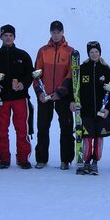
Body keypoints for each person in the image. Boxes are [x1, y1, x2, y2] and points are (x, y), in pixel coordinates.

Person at [0, 24, 34, 169]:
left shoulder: (23, 55)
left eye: (10, 35)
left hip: (20, 98)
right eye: (5, 35)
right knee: (1, 129)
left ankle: (23, 158)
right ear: (1, 37)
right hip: (1, 98)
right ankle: (4, 158)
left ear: (14, 37)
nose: (8, 38)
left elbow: (30, 74)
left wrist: (23, 84)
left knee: (22, 129)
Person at [34, 20, 74, 170]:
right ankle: (42, 159)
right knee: (43, 127)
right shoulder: (43, 51)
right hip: (45, 96)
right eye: (54, 32)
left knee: (66, 127)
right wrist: (39, 92)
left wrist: (61, 92)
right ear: (50, 33)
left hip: (62, 96)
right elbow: (36, 73)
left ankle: (66, 159)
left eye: (59, 32)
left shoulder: (70, 51)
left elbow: (71, 74)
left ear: (63, 33)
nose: (56, 35)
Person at [70, 41, 110, 175]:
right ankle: (86, 162)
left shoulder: (105, 69)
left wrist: (108, 108)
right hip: (86, 111)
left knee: (99, 138)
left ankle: (95, 162)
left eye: (96, 52)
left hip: (101, 111)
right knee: (88, 138)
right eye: (91, 52)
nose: (94, 54)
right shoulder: (83, 68)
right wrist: (74, 101)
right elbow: (75, 87)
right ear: (88, 53)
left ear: (100, 53)